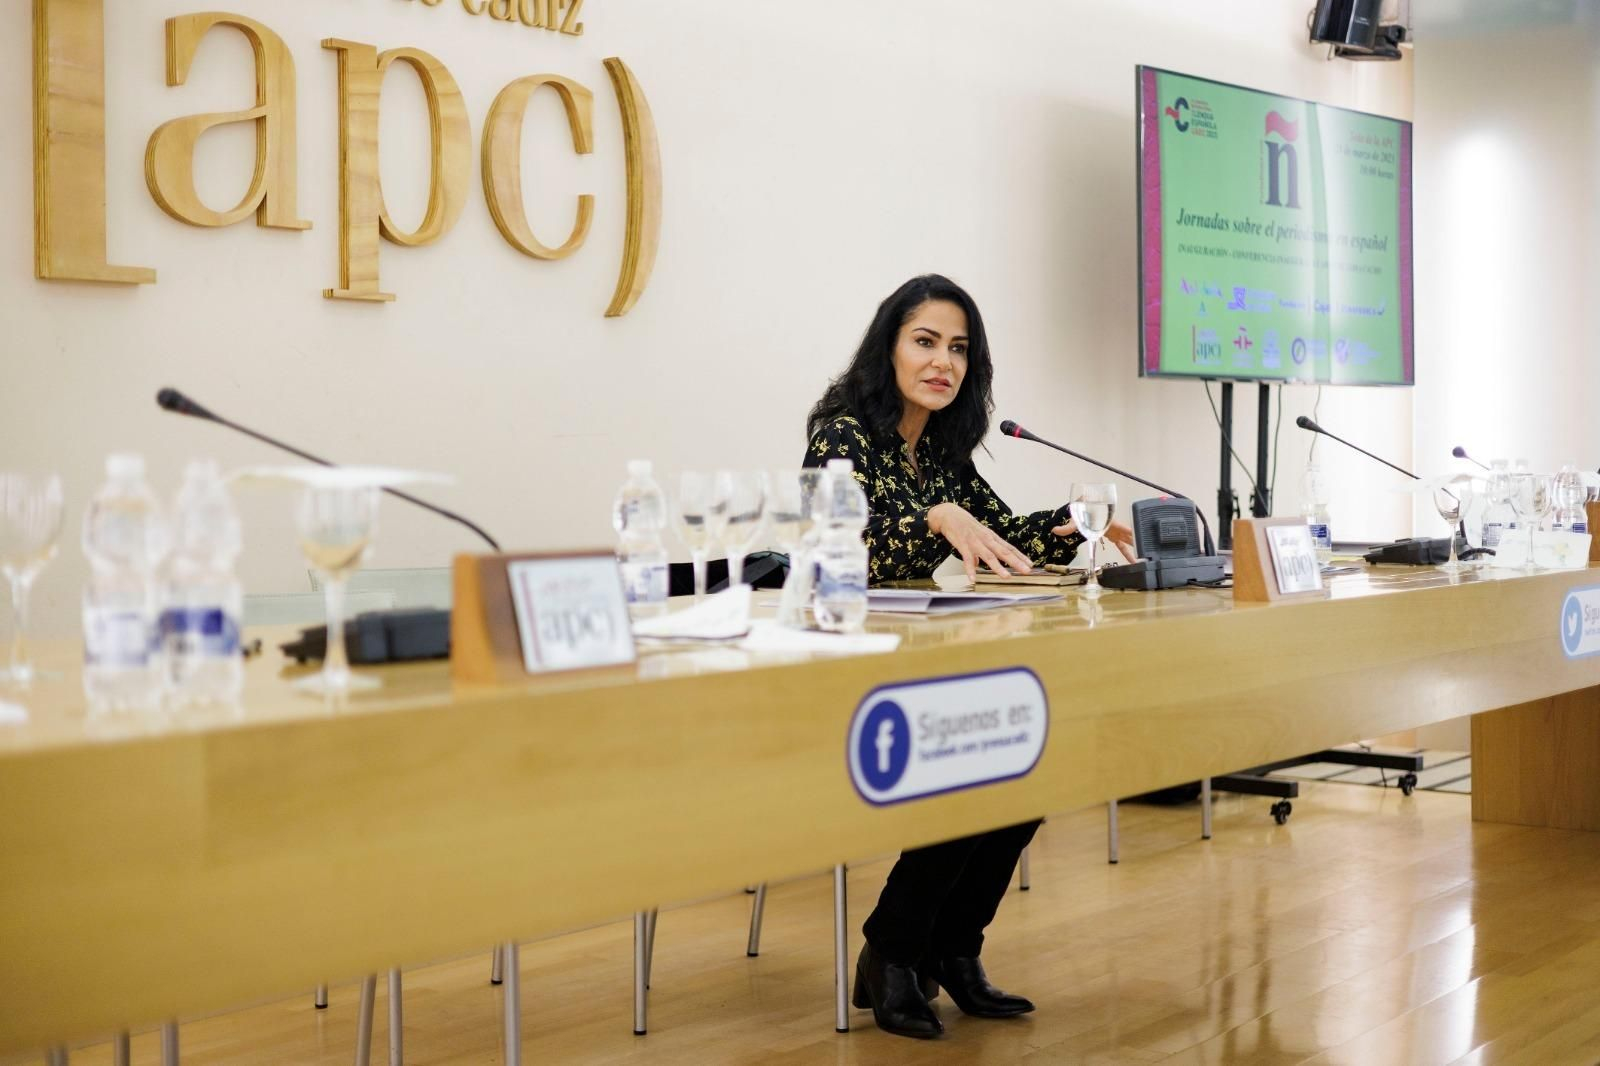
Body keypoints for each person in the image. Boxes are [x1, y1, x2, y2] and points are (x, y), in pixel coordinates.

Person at [802, 274, 1134, 1040]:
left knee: (1024, 764)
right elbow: (847, 545)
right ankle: (891, 952)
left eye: (958, 349)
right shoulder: (843, 433)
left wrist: (1078, 525)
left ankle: (952, 948)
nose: (941, 362)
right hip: (853, 663)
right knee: (979, 761)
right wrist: (934, 517)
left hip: (933, 652)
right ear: (887, 347)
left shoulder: (944, 448)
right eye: (925, 342)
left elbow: (996, 536)